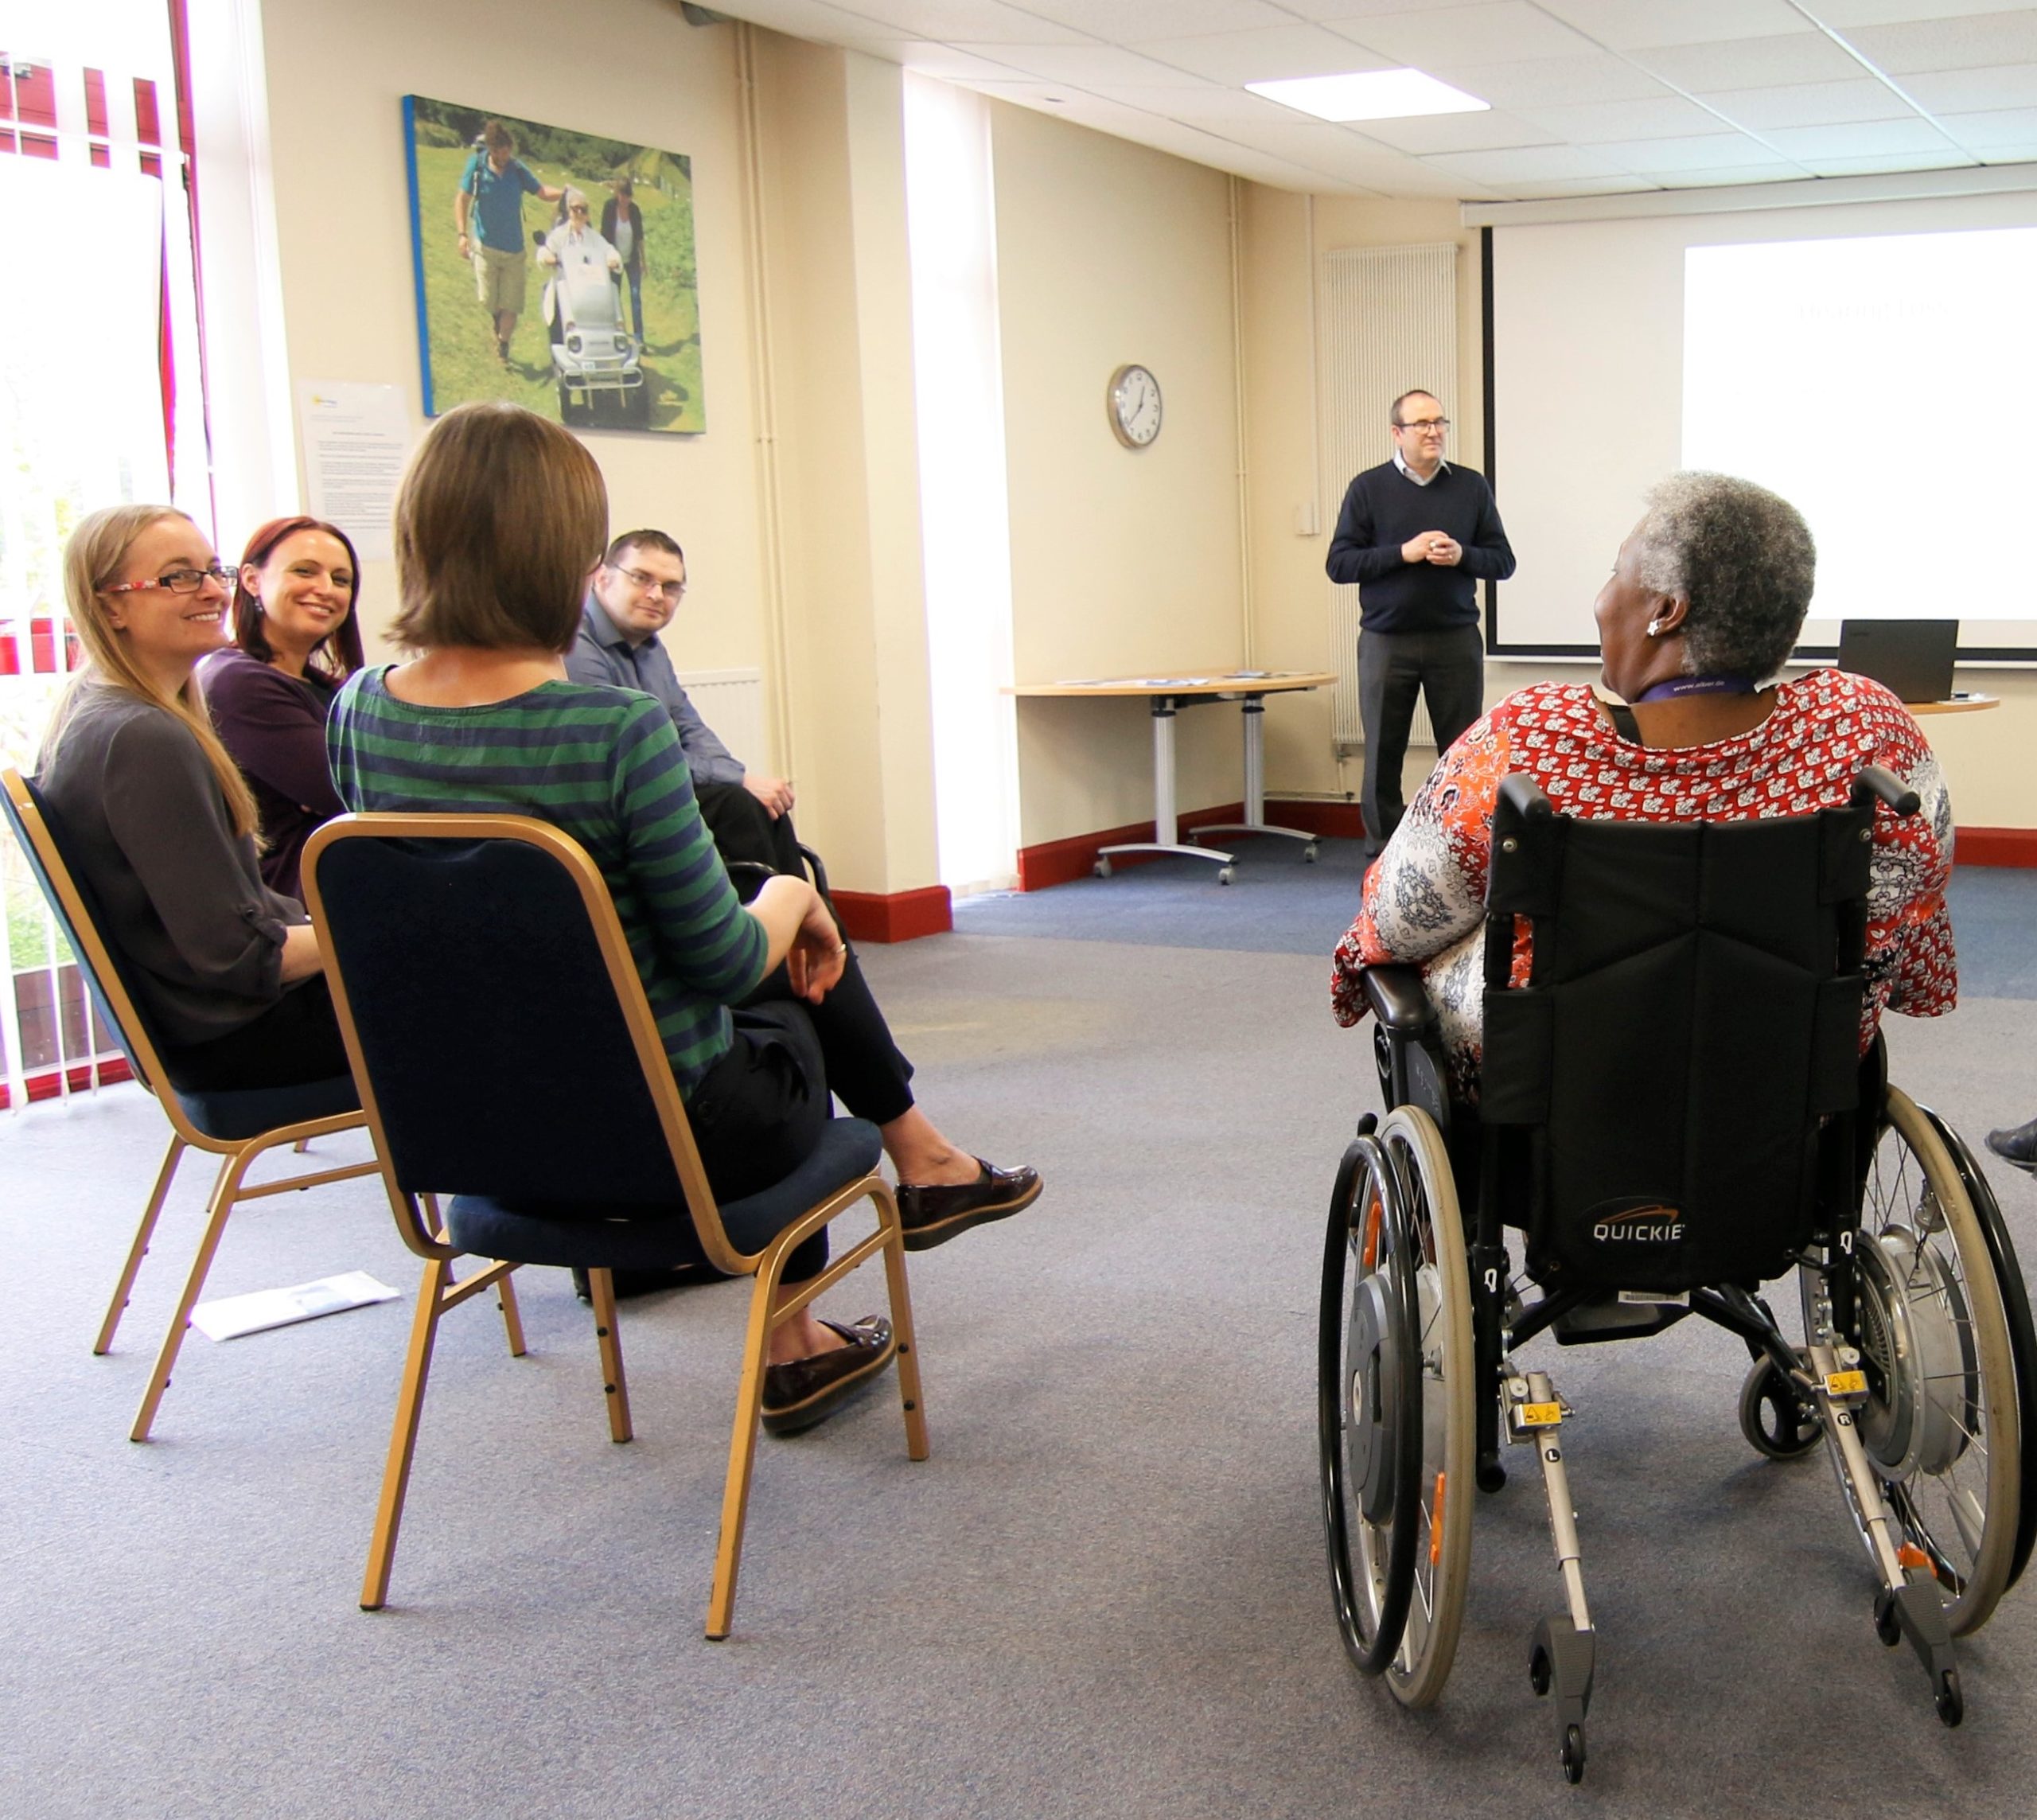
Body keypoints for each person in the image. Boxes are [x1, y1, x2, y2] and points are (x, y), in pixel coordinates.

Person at [326, 402, 1042, 1436]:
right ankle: (805, 1327)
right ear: (568, 556)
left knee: (753, 966)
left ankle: (923, 1173)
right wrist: (797, 899)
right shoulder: (609, 726)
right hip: (663, 1137)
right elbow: (718, 957)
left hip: (467, 1137)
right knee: (788, 998)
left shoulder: (358, 710)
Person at [1331, 470, 1954, 1106]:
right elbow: (1911, 904)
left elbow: (1399, 918)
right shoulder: (1868, 728)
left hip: (1555, 1097)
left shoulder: (1530, 743)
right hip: (1784, 1089)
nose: (1602, 599)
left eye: (1614, 573)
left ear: (1665, 610)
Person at [37, 506, 348, 1092]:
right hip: (238, 1037)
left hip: (206, 1025)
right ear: (110, 606)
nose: (211, 589)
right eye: (178, 576)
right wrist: (374, 925)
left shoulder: (99, 707)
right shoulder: (144, 737)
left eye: (212, 570)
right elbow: (244, 957)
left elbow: (241, 915)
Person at [1326, 389, 1516, 858]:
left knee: (1461, 754)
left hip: (1454, 639)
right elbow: (1339, 564)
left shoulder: (1471, 487)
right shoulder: (1368, 488)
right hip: (1387, 641)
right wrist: (1402, 553)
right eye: (1422, 424)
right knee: (1382, 756)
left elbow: (1503, 561)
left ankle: (1457, 851)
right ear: (1398, 433)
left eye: (1439, 422)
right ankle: (1383, 855)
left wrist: (1461, 556)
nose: (1434, 431)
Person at [565, 529, 802, 881]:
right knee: (738, 806)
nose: (656, 595)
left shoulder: (651, 648)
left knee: (765, 805)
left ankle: (807, 927)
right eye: (642, 578)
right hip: (610, 801)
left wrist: (741, 779)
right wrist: (738, 779)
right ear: (603, 578)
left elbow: (688, 725)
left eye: (670, 586)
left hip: (655, 787)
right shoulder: (577, 644)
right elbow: (632, 754)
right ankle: (756, 930)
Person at [197, 516, 364, 899]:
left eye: (341, 580)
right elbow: (351, 792)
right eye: (305, 571)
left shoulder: (327, 686)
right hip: (301, 899)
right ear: (252, 580)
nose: (325, 589)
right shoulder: (237, 682)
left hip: (350, 874)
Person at [453, 119, 563, 367]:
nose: (504, 156)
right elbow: (463, 199)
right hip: (485, 247)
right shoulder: (478, 166)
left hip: (514, 250)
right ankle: (497, 318)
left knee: (512, 304)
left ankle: (503, 344)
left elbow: (542, 192)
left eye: (507, 151)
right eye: (499, 151)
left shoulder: (517, 169)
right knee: (488, 300)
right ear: (490, 149)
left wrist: (565, 192)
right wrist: (462, 235)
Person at [537, 188, 623, 349]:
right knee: (557, 308)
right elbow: (544, 252)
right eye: (575, 208)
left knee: (609, 293)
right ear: (568, 211)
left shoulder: (593, 237)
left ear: (587, 214)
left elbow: (611, 251)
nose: (578, 213)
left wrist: (613, 260)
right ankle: (560, 351)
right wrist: (550, 258)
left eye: (582, 209)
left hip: (588, 292)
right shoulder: (559, 234)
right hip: (565, 289)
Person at [602, 175, 646, 344]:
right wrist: (606, 259)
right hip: (615, 260)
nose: (624, 199)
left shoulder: (635, 210)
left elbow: (640, 236)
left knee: (635, 296)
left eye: (627, 196)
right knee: (615, 297)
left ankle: (639, 337)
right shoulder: (609, 207)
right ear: (616, 193)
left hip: (632, 258)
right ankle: (616, 334)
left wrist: (643, 261)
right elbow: (604, 236)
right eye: (622, 195)